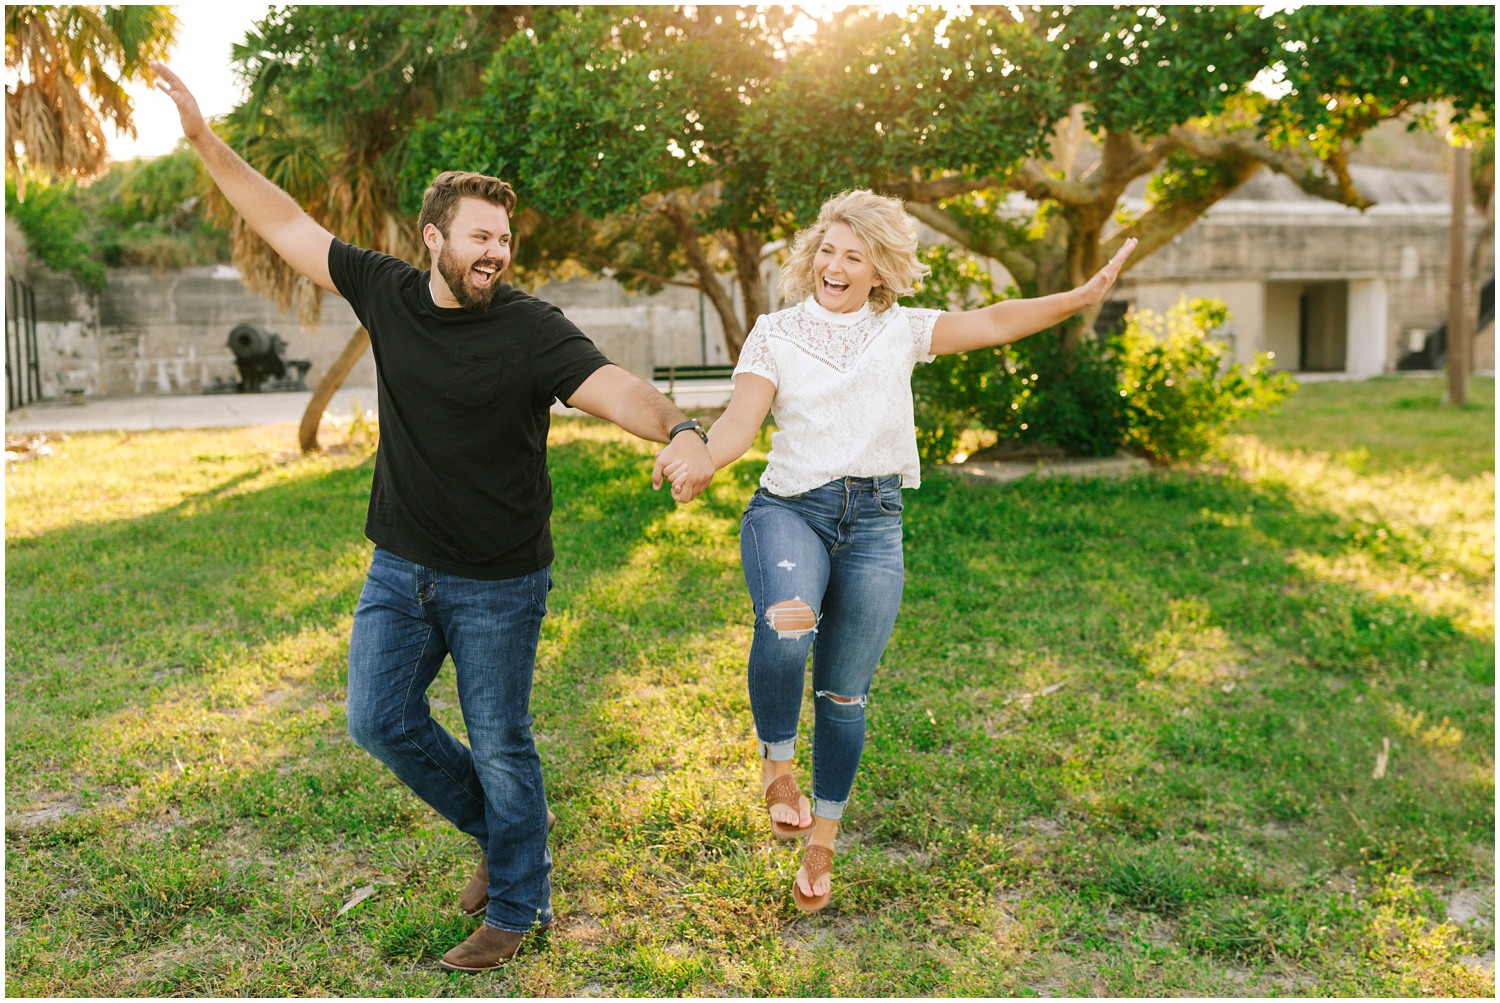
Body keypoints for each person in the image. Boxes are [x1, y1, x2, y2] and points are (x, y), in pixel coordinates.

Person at [153, 64, 716, 970]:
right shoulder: (383, 288)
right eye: (481, 235)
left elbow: (619, 390)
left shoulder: (532, 328)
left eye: (506, 237)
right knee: (377, 720)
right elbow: (285, 220)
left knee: (501, 739)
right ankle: (506, 836)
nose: (496, 251)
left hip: (500, 578)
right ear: (433, 238)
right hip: (401, 566)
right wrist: (204, 141)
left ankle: (517, 902)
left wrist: (684, 428)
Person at [657, 190, 1134, 912]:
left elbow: (1000, 319)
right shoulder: (774, 333)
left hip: (876, 523)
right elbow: (740, 423)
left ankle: (821, 843)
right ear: (814, 255)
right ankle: (776, 763)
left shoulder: (901, 329)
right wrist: (704, 461)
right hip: (793, 510)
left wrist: (1080, 296)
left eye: (855, 256)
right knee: (789, 618)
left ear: (880, 269)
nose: (835, 265)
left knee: (846, 693)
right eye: (828, 250)